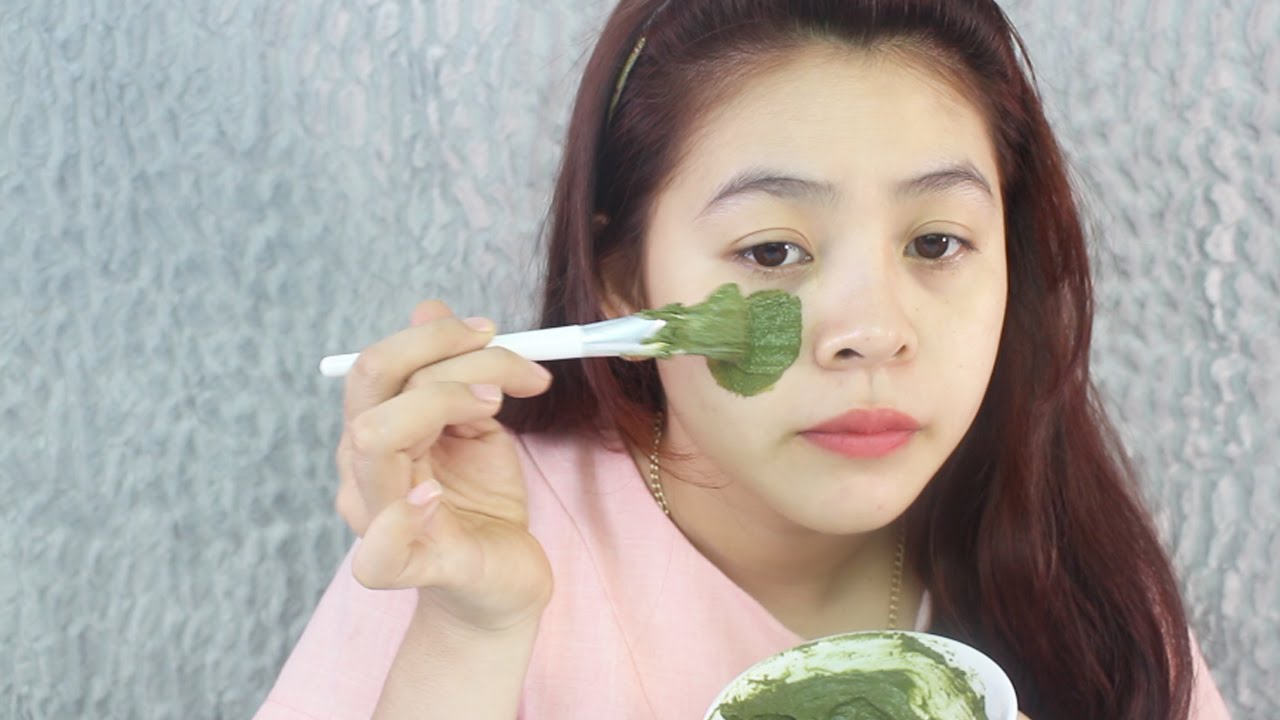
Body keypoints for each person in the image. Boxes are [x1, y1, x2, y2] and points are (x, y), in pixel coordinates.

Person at [257, 1, 1232, 718]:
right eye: (770, 252)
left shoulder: (1078, 579)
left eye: (936, 243)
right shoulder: (469, 537)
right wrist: (469, 634)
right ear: (623, 279)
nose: (870, 332)